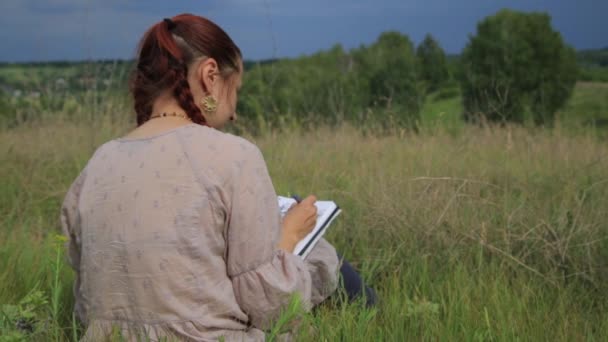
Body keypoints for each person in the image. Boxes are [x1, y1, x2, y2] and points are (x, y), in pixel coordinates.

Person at [60, 13, 376, 341]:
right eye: (234, 89)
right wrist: (289, 236)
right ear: (210, 75)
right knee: (320, 253)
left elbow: (86, 301)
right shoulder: (235, 156)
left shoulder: (98, 163)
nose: (234, 112)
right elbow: (270, 305)